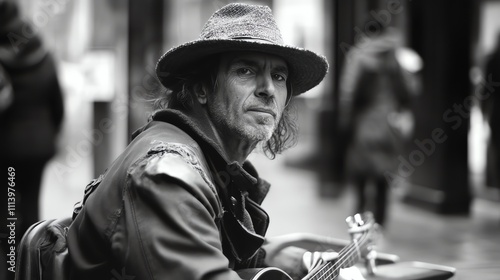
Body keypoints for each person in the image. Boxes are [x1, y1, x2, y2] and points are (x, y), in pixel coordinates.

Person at [60, 3, 372, 280]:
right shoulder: (166, 176)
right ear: (201, 89)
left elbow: (231, 252)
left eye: (278, 76)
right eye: (246, 70)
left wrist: (303, 261)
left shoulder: (213, 161)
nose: (268, 89)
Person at [0, 1, 64, 279]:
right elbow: (57, 104)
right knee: (31, 208)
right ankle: (32, 267)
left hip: (8, 151)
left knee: (9, 211)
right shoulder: (43, 53)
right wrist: (51, 132)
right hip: (39, 146)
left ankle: (12, 268)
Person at [339, 27, 420, 226]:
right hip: (388, 124)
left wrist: (345, 123)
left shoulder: (359, 56)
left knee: (360, 175)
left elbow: (348, 93)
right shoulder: (393, 56)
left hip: (364, 124)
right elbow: (408, 91)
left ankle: (358, 222)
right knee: (383, 177)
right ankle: (380, 224)